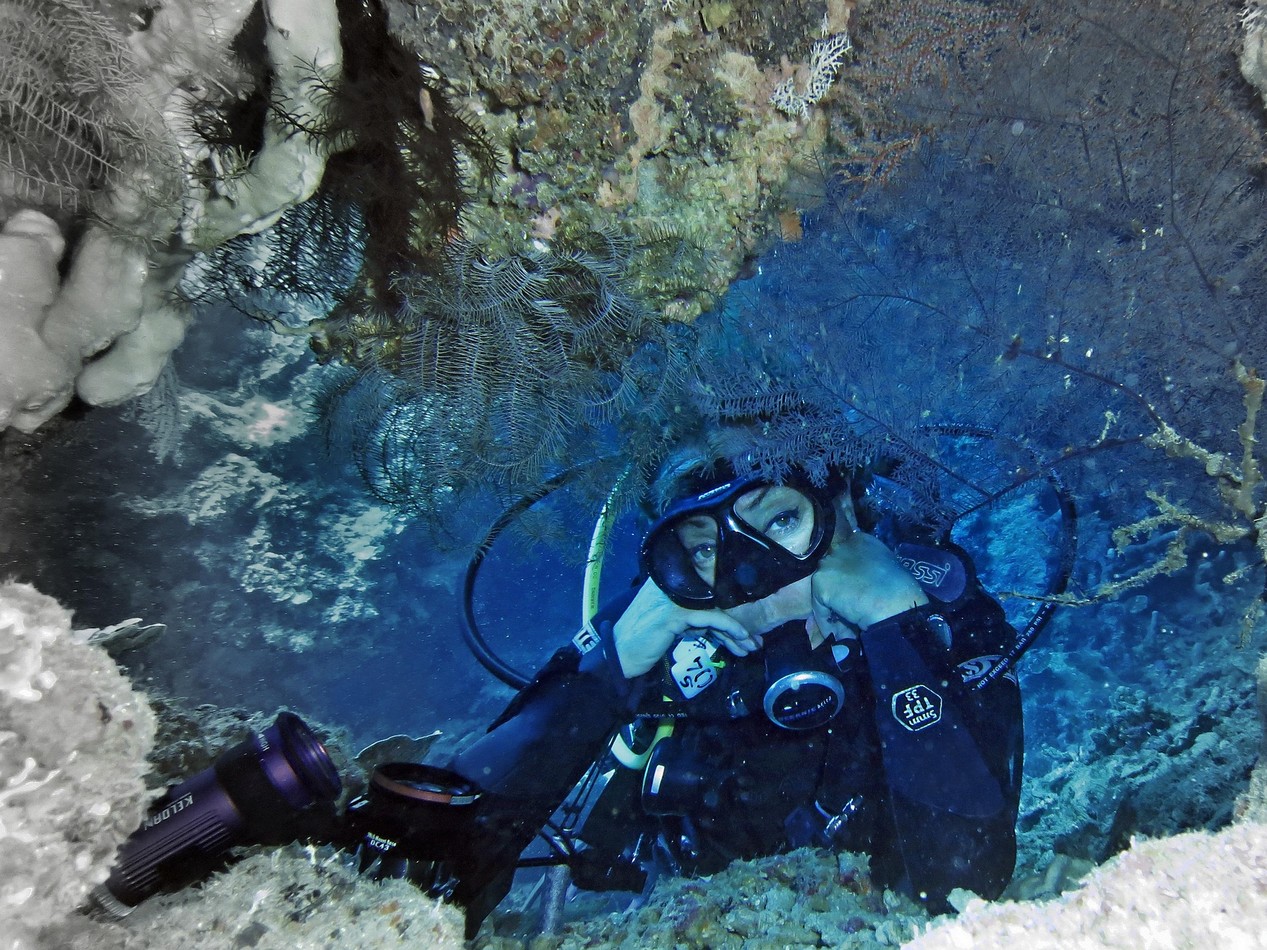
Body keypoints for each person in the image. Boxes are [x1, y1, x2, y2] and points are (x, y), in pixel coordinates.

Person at [438, 453, 1024, 936]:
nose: (749, 583)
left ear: (842, 509)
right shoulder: (669, 611)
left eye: (781, 522)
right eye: (705, 547)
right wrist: (611, 668)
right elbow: (436, 872)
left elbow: (965, 888)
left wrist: (900, 633)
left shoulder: (936, 606)